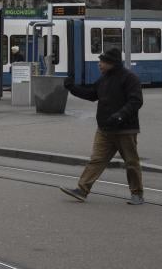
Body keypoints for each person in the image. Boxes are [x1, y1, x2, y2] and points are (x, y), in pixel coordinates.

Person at [59, 48, 145, 205]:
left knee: (131, 162)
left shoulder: (129, 78)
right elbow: (91, 94)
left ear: (112, 63)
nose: (99, 64)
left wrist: (120, 116)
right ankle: (82, 190)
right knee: (96, 160)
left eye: (102, 61)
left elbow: (136, 101)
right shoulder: (104, 78)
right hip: (105, 129)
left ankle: (137, 194)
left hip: (125, 129)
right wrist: (72, 88)